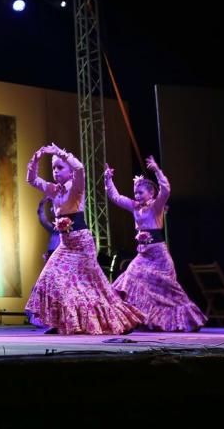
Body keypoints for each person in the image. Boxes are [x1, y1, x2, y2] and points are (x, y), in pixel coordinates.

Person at [23, 143, 143, 335]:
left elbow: (80, 167)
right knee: (49, 278)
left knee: (93, 287)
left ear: (70, 172)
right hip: (65, 245)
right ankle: (60, 322)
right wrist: (36, 159)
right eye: (53, 167)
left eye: (60, 167)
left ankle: (118, 319)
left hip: (81, 245)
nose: (55, 171)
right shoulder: (54, 190)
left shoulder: (77, 187)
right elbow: (31, 180)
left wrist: (60, 152)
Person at [104, 155, 206, 332]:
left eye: (140, 192)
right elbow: (116, 197)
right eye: (135, 192)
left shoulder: (156, 207)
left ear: (151, 194)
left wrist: (157, 170)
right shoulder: (135, 206)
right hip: (143, 255)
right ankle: (129, 319)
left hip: (159, 256)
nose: (137, 195)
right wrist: (108, 179)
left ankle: (187, 320)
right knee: (128, 279)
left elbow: (165, 190)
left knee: (170, 291)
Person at [23, 197, 59, 328]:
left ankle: (55, 319)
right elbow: (42, 218)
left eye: (54, 208)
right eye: (52, 209)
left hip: (62, 264)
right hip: (51, 261)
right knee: (42, 288)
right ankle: (41, 318)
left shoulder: (68, 229)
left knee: (56, 290)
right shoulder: (54, 230)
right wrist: (42, 204)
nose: (52, 210)